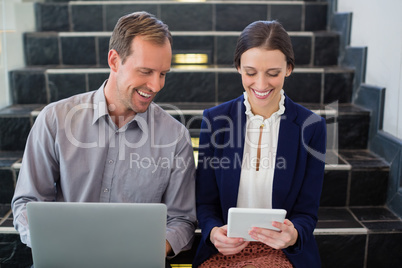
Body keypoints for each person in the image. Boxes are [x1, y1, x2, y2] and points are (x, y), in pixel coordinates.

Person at [12, 11, 197, 266]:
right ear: (114, 60)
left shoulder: (175, 137)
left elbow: (182, 220)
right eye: (145, 71)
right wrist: (56, 244)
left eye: (163, 73)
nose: (155, 85)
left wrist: (150, 248)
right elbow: (28, 202)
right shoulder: (55, 119)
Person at [193, 20, 326, 268]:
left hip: (284, 252)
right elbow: (205, 202)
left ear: (289, 68)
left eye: (273, 73)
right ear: (238, 68)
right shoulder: (215, 121)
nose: (262, 85)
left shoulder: (312, 127)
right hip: (224, 251)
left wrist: (294, 234)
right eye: (251, 72)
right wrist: (213, 233)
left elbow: (307, 212)